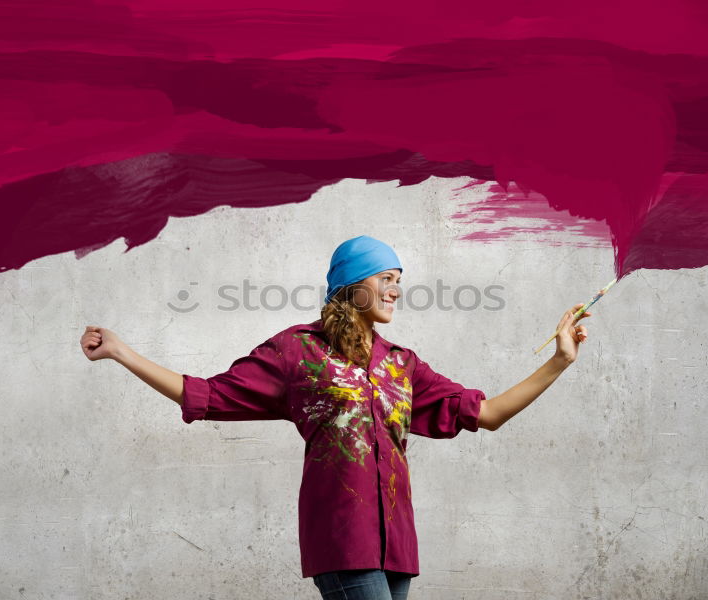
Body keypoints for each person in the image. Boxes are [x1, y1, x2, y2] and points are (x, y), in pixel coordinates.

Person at [79, 235, 591, 600]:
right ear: (352, 284)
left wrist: (560, 360)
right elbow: (207, 396)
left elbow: (489, 413)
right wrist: (123, 353)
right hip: (343, 538)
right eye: (386, 277)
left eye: (399, 280)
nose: (395, 289)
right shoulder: (297, 353)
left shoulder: (402, 365)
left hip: (398, 546)